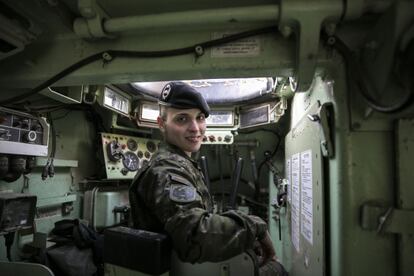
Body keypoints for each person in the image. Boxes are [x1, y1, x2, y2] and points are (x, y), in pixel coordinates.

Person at [129, 81, 287, 275]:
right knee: (278, 270)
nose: (195, 128)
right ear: (162, 124)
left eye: (200, 117)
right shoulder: (166, 169)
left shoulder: (180, 163)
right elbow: (195, 235)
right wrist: (254, 226)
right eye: (182, 119)